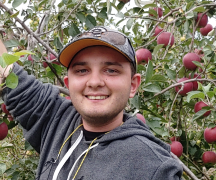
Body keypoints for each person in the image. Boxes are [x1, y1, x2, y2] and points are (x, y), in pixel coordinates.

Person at [0, 26, 183, 180]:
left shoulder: (154, 168)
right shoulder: (56, 122)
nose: (94, 82)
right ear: (68, 84)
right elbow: (6, 70)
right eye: (82, 70)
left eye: (111, 70)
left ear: (133, 85)